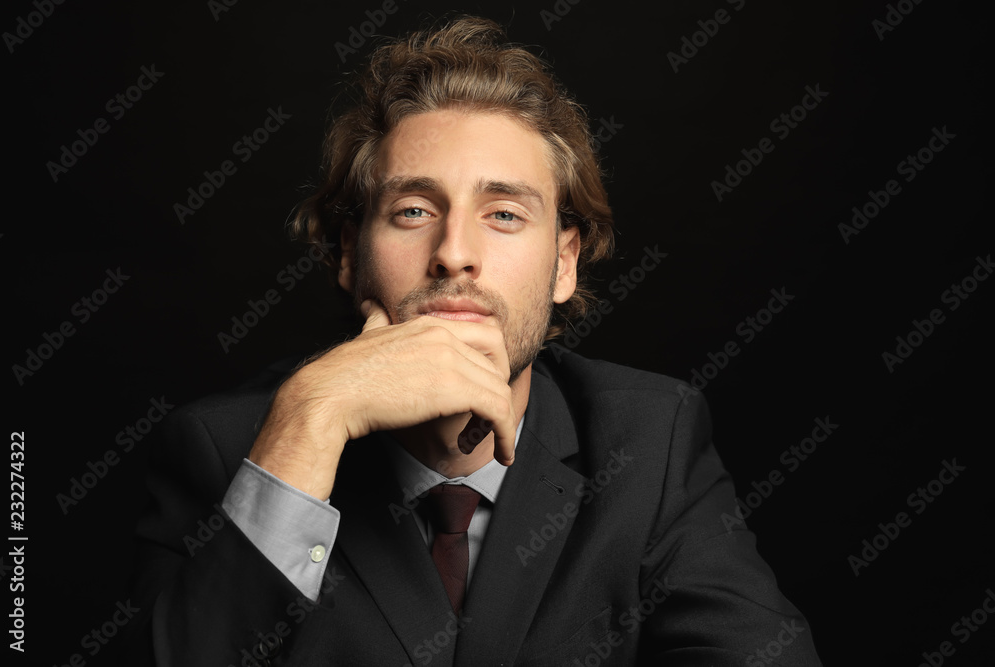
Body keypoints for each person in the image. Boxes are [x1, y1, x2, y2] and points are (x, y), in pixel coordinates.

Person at [132, 15, 822, 666]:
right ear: (349, 254)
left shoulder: (650, 441)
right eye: (413, 210)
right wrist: (311, 415)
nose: (455, 252)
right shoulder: (225, 448)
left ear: (563, 263)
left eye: (503, 213)